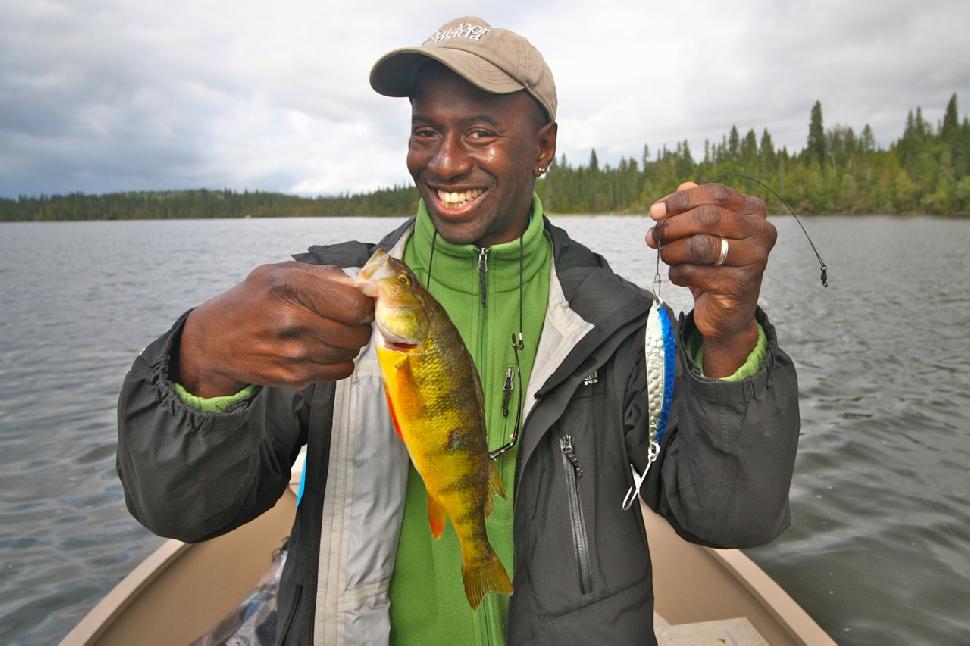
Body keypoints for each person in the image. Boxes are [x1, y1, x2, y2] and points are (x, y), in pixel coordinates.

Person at [116, 16, 799, 646]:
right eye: (424, 130)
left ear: (544, 147)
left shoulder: (618, 323)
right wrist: (201, 360)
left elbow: (730, 517)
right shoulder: (328, 302)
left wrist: (731, 335)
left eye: (479, 131)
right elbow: (182, 508)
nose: (443, 162)